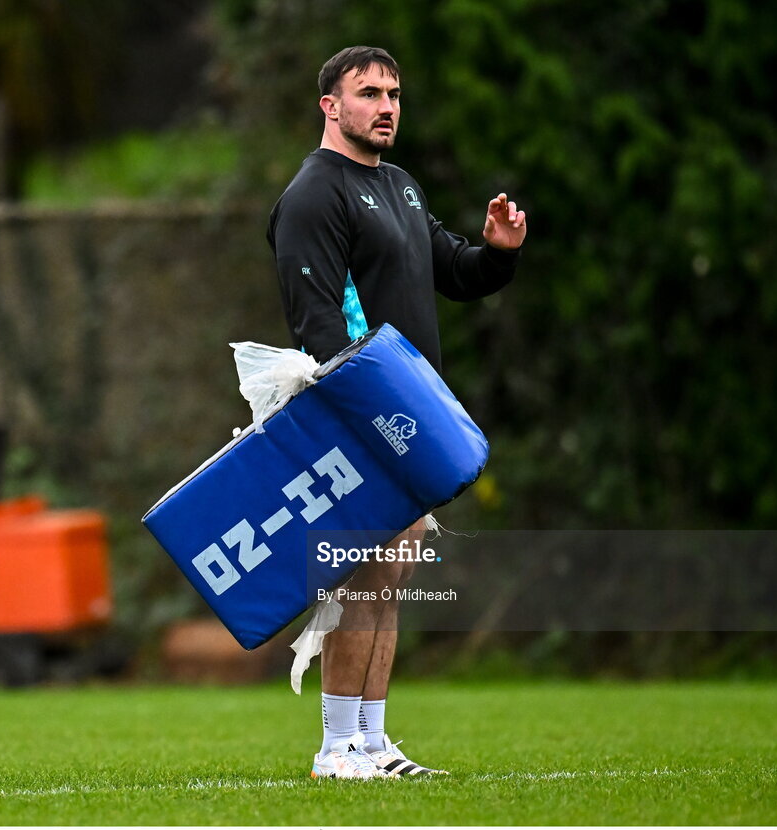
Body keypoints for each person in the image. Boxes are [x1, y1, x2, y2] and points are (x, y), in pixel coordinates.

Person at [267, 45, 526, 779]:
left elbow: (454, 271)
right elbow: (317, 326)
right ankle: (335, 747)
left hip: (410, 417)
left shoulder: (402, 187)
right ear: (331, 106)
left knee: (392, 579)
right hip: (359, 416)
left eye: (395, 94)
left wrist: (499, 254)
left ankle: (373, 742)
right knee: (362, 581)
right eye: (369, 92)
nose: (386, 106)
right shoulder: (316, 194)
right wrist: (366, 413)